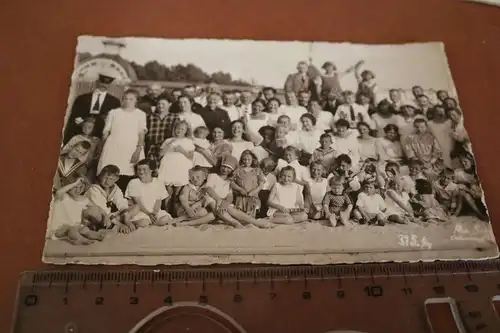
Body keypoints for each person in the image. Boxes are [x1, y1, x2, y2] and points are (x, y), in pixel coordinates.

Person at [97, 89, 147, 192]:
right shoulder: (114, 112)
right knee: (109, 173)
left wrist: (138, 151)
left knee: (127, 175)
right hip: (113, 147)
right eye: (125, 99)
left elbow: (141, 134)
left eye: (131, 99)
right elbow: (106, 132)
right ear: (122, 99)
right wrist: (102, 148)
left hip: (131, 148)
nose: (128, 101)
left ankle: (122, 202)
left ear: (136, 101)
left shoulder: (140, 114)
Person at [204, 156, 273, 228]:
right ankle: (235, 223)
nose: (225, 169)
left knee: (232, 210)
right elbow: (208, 189)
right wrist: (218, 200)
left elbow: (230, 195)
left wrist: (225, 202)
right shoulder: (212, 176)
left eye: (228, 168)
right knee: (217, 206)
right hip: (211, 199)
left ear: (232, 170)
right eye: (223, 166)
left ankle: (255, 222)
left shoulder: (229, 181)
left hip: (222, 201)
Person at [63, 74, 121, 144]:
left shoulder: (115, 102)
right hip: (79, 136)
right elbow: (72, 121)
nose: (103, 85)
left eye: (107, 83)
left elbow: (114, 126)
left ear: (110, 85)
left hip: (99, 139)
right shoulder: (81, 98)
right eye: (102, 82)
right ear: (97, 82)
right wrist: (66, 141)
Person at [48, 178, 107, 245]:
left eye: (81, 187)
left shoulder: (83, 199)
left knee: (82, 228)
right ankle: (79, 240)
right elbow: (58, 192)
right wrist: (75, 183)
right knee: (71, 229)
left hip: (74, 225)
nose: (78, 190)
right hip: (58, 228)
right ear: (69, 186)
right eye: (75, 187)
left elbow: (97, 207)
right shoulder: (64, 197)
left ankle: (95, 235)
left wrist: (105, 215)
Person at [86, 165, 135, 234]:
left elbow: (121, 202)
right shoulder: (93, 189)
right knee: (100, 216)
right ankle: (114, 226)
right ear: (100, 176)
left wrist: (127, 220)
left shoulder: (114, 188)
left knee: (136, 207)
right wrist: (119, 225)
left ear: (116, 179)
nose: (107, 182)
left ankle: (119, 222)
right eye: (105, 178)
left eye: (111, 179)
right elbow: (103, 210)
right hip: (98, 216)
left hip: (109, 216)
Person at [126, 159, 175, 228]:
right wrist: (148, 214)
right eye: (139, 169)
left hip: (155, 211)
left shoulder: (158, 182)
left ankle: (152, 224)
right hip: (140, 211)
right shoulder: (134, 182)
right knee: (143, 222)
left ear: (151, 170)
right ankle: (143, 223)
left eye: (144, 169)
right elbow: (138, 202)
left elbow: (158, 200)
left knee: (165, 218)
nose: (141, 171)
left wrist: (154, 213)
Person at [157, 120, 194, 192]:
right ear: (174, 129)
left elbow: (191, 157)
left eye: (182, 129)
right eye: (178, 128)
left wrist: (182, 151)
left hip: (181, 167)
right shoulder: (168, 140)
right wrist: (170, 143)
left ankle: (175, 202)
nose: (179, 130)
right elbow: (160, 154)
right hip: (168, 166)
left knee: (178, 190)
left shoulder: (188, 141)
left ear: (186, 131)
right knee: (167, 190)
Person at [145, 97, 178, 171]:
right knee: (152, 170)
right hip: (152, 149)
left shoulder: (174, 117)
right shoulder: (151, 116)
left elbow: (176, 135)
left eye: (163, 104)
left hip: (167, 149)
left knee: (165, 170)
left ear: (170, 104)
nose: (160, 106)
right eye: (159, 104)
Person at [231, 150, 266, 217]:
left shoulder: (257, 170)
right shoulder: (238, 170)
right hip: (241, 195)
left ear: (252, 160)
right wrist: (240, 189)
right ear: (241, 160)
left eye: (249, 159)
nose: (247, 161)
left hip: (253, 195)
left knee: (251, 212)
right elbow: (231, 182)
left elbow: (261, 185)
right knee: (240, 214)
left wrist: (253, 192)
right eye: (244, 159)